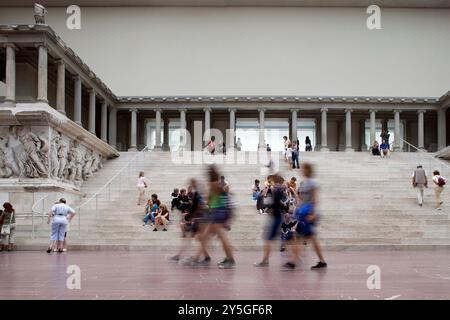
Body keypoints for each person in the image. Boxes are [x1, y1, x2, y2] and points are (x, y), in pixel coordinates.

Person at [189, 165, 235, 269]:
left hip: (217, 212)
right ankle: (195, 259)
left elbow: (208, 201)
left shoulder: (212, 184)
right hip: (220, 211)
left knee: (220, 237)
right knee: (205, 236)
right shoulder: (219, 184)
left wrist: (205, 199)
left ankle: (230, 260)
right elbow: (225, 194)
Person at [285, 163, 327, 270]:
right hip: (303, 213)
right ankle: (321, 261)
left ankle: (294, 261)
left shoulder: (313, 183)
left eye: (304, 169)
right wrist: (297, 209)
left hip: (308, 213)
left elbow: (315, 199)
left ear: (308, 170)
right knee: (310, 237)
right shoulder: (304, 183)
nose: (302, 170)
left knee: (300, 237)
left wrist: (312, 213)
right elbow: (302, 198)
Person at [254, 174, 285, 267]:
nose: (269, 182)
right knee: (270, 238)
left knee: (267, 239)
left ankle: (265, 261)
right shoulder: (278, 189)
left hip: (275, 217)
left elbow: (273, 201)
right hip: (275, 216)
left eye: (271, 180)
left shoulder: (276, 188)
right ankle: (294, 258)